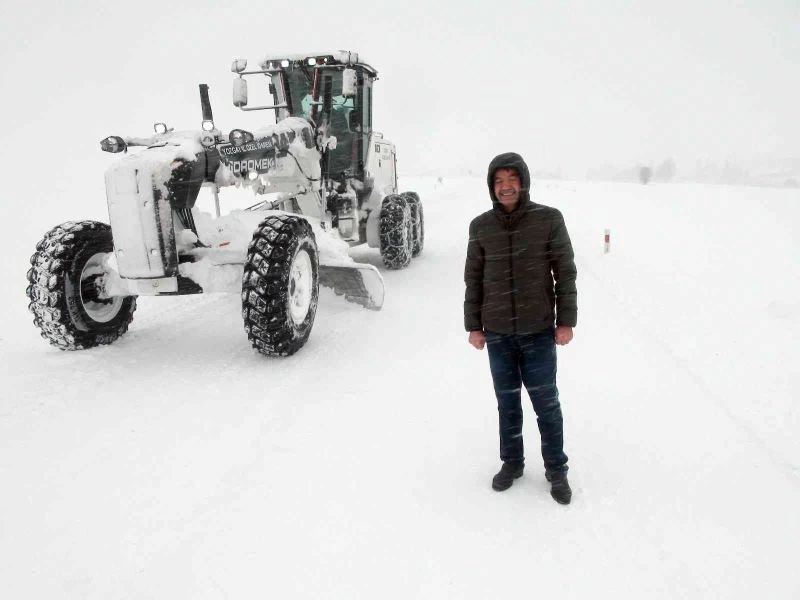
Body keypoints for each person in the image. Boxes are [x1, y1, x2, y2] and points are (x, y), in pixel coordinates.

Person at [464, 152, 577, 505]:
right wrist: (474, 325)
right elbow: (474, 278)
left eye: (511, 178)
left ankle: (556, 469)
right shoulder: (481, 226)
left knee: (546, 404)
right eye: (498, 181)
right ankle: (511, 463)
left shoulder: (548, 219)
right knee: (507, 403)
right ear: (491, 187)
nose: (505, 186)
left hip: (539, 331)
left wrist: (566, 321)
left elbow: (565, 271)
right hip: (497, 332)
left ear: (523, 182)